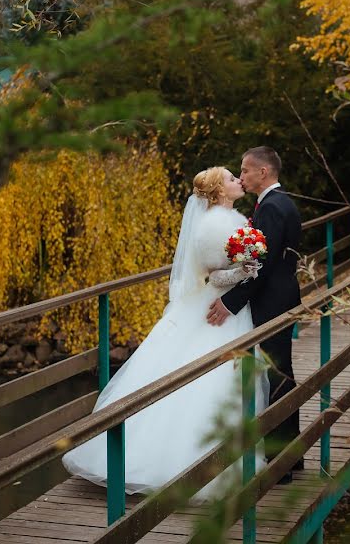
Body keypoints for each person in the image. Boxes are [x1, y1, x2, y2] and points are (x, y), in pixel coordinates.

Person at [62, 167, 268, 500]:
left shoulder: (234, 219)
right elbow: (213, 278)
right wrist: (242, 271)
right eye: (231, 179)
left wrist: (247, 267)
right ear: (219, 191)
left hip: (229, 308)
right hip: (217, 309)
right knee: (210, 379)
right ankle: (182, 463)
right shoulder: (213, 224)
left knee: (225, 379)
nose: (237, 181)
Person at [206, 146, 303, 484]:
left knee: (278, 375)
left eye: (245, 170)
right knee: (279, 373)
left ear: (263, 172)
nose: (242, 176)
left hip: (274, 302)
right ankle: (289, 456)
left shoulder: (273, 208)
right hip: (279, 298)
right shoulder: (276, 203)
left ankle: (282, 462)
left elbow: (260, 265)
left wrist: (230, 302)